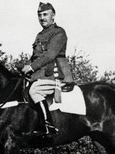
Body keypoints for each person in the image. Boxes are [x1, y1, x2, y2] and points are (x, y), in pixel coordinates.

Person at [22, 2, 74, 136]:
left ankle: (48, 125)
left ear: (53, 15)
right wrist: (25, 67)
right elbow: (35, 57)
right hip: (41, 75)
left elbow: (50, 55)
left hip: (56, 74)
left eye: (45, 14)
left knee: (34, 91)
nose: (42, 18)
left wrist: (31, 67)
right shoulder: (39, 35)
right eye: (39, 15)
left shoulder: (59, 32)